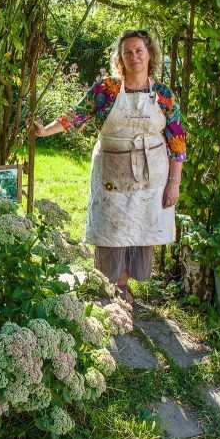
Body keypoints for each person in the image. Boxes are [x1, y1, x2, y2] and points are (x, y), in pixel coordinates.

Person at [33, 29, 186, 307]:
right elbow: (76, 115)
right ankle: (112, 286)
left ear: (150, 54)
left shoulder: (163, 95)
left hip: (150, 176)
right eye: (127, 52)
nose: (134, 56)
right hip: (112, 171)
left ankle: (125, 285)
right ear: (120, 57)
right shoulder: (107, 89)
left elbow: (177, 140)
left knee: (139, 229)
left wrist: (174, 182)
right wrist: (45, 132)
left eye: (139, 50)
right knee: (112, 229)